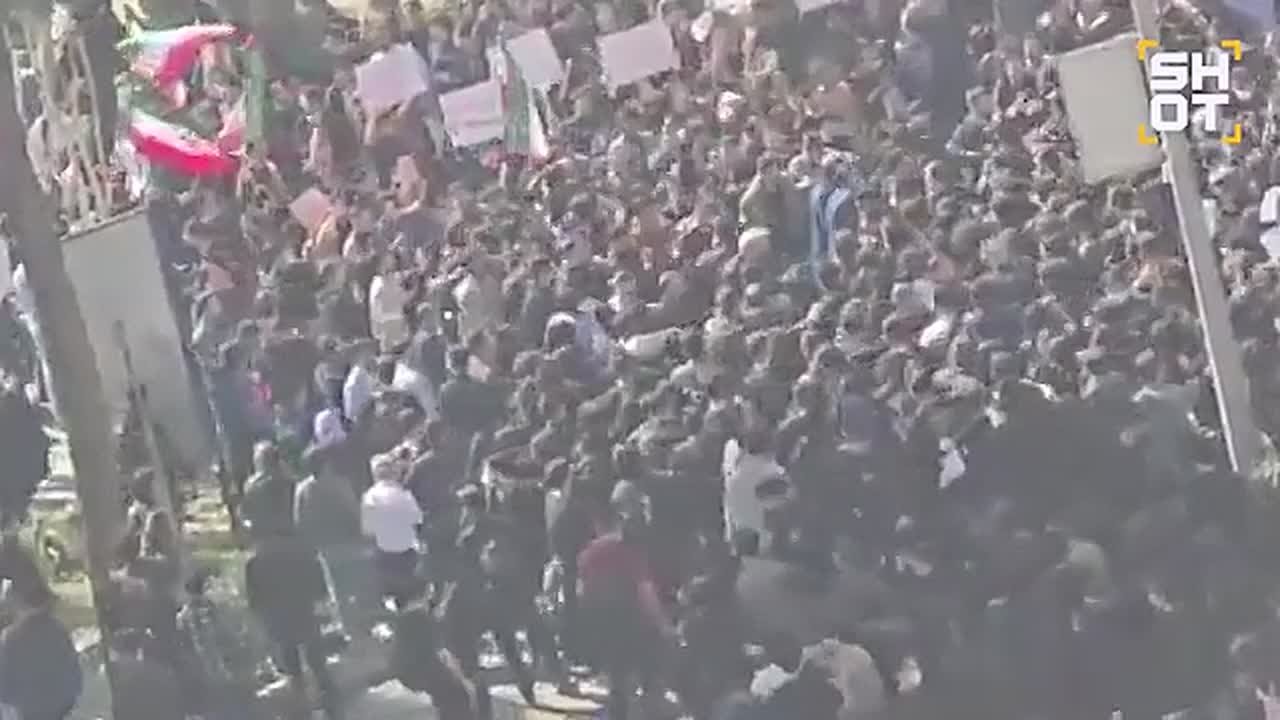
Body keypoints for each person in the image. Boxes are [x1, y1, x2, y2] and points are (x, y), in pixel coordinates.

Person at [244, 523, 344, 720]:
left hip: (278, 616)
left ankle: (301, 707)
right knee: (317, 660)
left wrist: (262, 619)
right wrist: (325, 610)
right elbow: (321, 587)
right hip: (305, 612)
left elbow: (254, 599)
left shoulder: (255, 561)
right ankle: (331, 703)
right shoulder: (304, 554)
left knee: (291, 662)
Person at [0, 581, 81, 720]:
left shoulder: (11, 636)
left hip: (26, 708)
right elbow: (74, 673)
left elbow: (4, 680)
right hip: (57, 706)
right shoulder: (59, 631)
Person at [361, 452, 423, 609]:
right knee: (409, 589)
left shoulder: (370, 496)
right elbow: (417, 519)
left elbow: (368, 529)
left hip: (384, 551)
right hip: (406, 550)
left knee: (389, 590)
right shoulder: (403, 493)